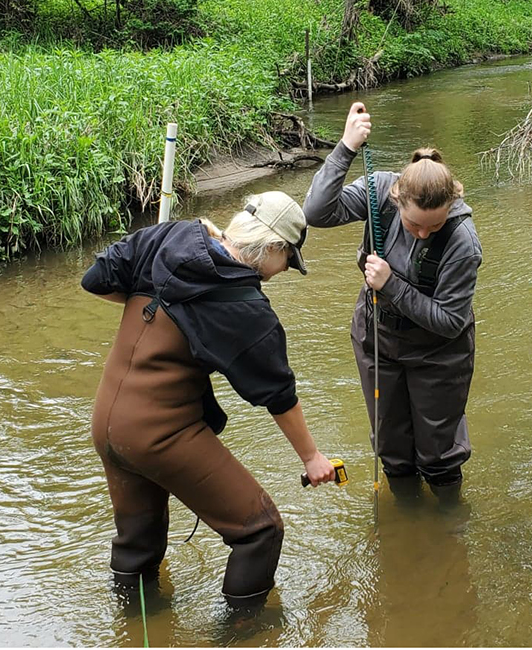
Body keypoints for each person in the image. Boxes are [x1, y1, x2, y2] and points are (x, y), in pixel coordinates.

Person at [81, 191, 336, 609]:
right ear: (273, 247)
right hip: (159, 432)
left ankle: (133, 623)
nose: (284, 270)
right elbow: (278, 393)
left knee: (137, 544)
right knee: (260, 530)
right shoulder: (246, 306)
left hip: (108, 421)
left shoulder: (169, 236)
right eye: (288, 260)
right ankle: (241, 633)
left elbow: (96, 279)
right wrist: (311, 458)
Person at [302, 102, 483, 503]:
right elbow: (316, 212)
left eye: (433, 225)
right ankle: (407, 519)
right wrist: (346, 147)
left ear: (450, 207)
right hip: (377, 336)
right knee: (391, 444)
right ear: (397, 199)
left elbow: (450, 321)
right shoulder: (380, 191)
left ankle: (448, 522)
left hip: (438, 351)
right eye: (413, 223)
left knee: (438, 451)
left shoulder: (463, 243)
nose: (422, 234)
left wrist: (392, 285)